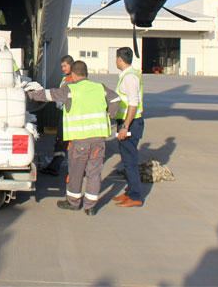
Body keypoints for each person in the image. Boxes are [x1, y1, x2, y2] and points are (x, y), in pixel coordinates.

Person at [25, 60, 120, 216]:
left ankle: (74, 202)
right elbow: (116, 99)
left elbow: (49, 95)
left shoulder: (70, 90)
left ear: (74, 74)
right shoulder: (99, 88)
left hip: (80, 140)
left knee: (76, 172)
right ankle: (90, 206)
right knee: (94, 173)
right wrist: (111, 115)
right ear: (87, 74)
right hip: (99, 140)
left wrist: (31, 94)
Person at [113, 46, 145, 207]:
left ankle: (135, 196)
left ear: (120, 59)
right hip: (128, 122)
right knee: (126, 160)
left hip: (131, 123)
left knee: (130, 161)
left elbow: (133, 104)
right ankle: (130, 192)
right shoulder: (128, 75)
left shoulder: (129, 78)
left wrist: (125, 126)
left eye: (116, 58)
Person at [41, 54, 74, 176]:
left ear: (71, 65)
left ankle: (55, 167)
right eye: (62, 66)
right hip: (64, 113)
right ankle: (55, 166)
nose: (63, 69)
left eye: (65, 66)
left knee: (61, 141)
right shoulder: (67, 78)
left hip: (67, 115)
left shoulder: (71, 80)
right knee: (61, 142)